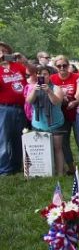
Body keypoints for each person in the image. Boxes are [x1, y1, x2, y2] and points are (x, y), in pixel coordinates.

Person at [26, 66, 66, 175]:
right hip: (38, 124)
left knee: (57, 148)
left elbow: (56, 102)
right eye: (39, 74)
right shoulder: (33, 87)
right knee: (41, 149)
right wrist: (35, 90)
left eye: (44, 74)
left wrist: (49, 91)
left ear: (49, 75)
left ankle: (60, 173)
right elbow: (29, 101)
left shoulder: (56, 88)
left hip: (55, 123)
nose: (42, 76)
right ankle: (43, 172)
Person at [0, 42, 32, 175]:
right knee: (4, 138)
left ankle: (17, 165)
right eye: (0, 51)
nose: (2, 53)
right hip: (4, 108)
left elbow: (33, 72)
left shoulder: (18, 66)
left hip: (21, 107)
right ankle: (4, 169)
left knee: (19, 138)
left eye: (4, 50)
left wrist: (25, 61)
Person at [50, 55, 79, 174]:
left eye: (64, 65)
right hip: (61, 116)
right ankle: (71, 167)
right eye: (59, 66)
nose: (62, 68)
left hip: (77, 114)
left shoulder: (76, 77)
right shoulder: (52, 78)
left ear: (69, 65)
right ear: (55, 67)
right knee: (64, 143)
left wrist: (75, 101)